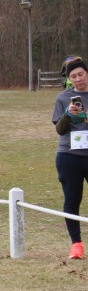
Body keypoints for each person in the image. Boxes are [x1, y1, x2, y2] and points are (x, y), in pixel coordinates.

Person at [52, 56, 88, 259]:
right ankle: (76, 244)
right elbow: (60, 129)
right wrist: (67, 114)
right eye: (73, 76)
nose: (78, 79)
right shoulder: (63, 98)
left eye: (80, 74)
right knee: (72, 200)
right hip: (69, 156)